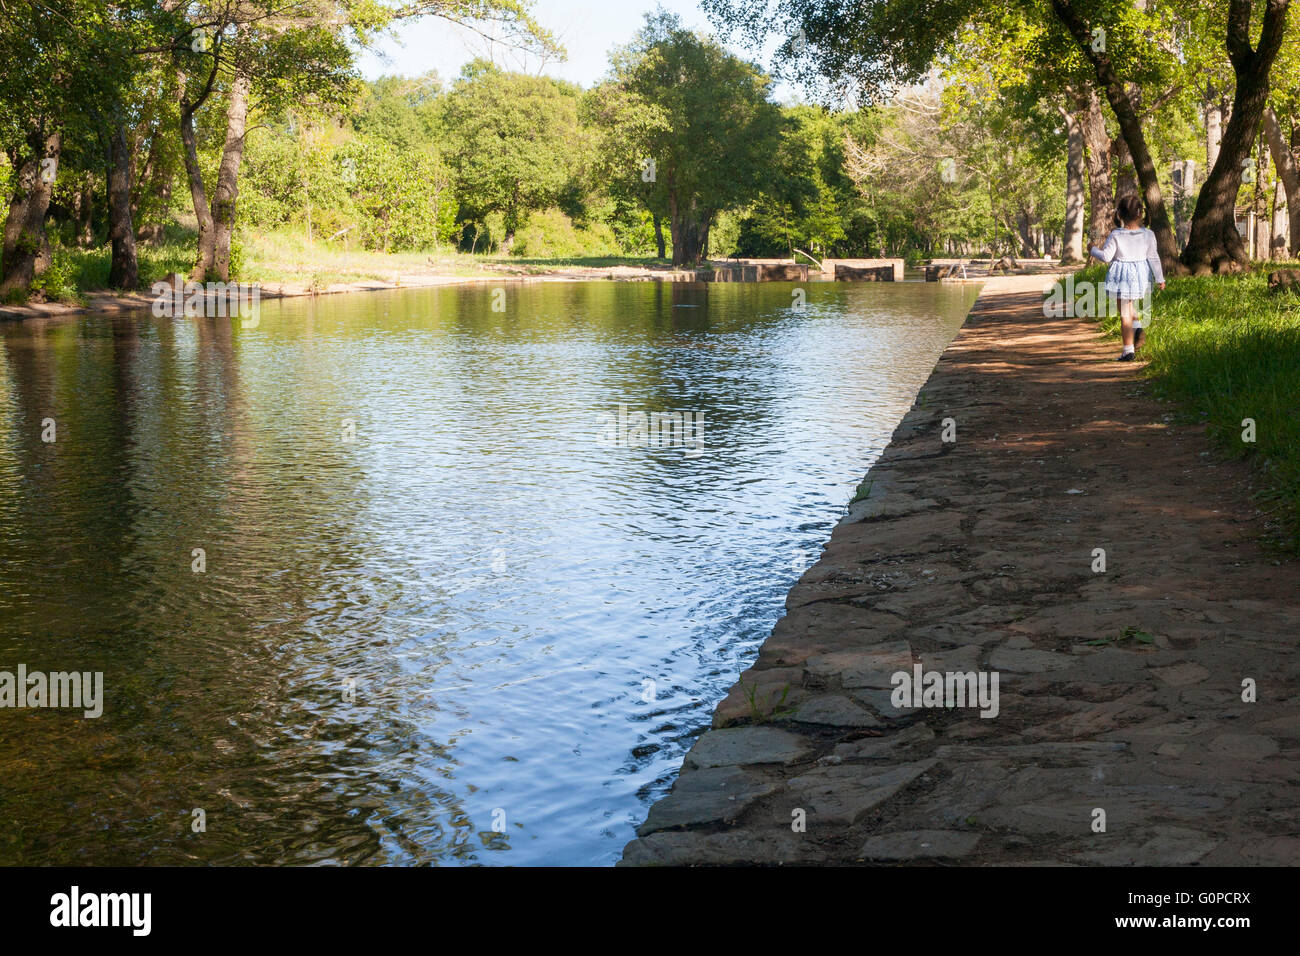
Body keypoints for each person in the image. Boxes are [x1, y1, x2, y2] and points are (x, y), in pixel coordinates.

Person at [1089, 194, 1166, 361]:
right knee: (1129, 308)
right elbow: (1153, 257)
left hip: (1122, 277)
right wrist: (1160, 278)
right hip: (1140, 276)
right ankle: (1138, 328)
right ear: (1140, 213)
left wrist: (1093, 249)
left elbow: (1106, 257)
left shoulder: (1117, 234)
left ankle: (1128, 351)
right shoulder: (1148, 234)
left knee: (1124, 313)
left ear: (1120, 215)